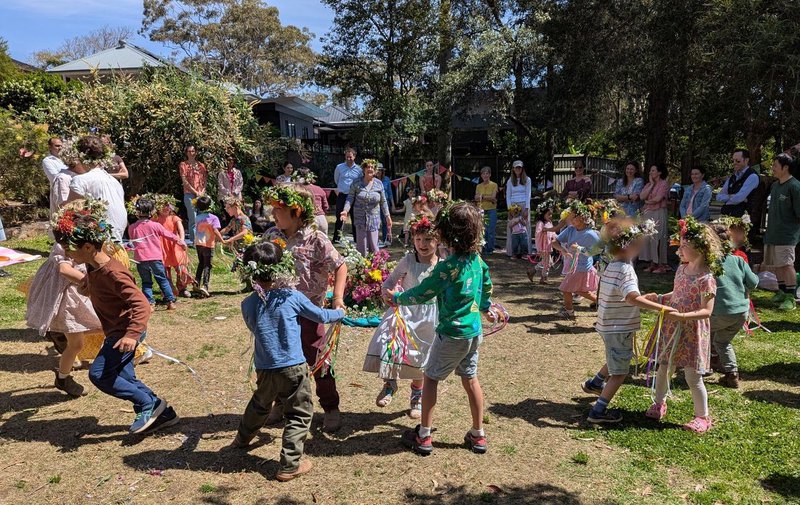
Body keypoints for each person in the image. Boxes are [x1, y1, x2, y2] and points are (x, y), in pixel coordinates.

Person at [52, 198, 177, 434]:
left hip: (124, 331)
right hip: (117, 329)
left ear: (88, 247)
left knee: (100, 374)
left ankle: (148, 403)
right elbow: (97, 282)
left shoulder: (113, 273)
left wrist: (132, 335)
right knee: (123, 376)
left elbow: (141, 304)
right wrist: (88, 285)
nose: (67, 252)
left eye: (70, 248)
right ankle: (165, 414)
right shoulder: (93, 266)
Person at [230, 241, 345, 482]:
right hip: (293, 367)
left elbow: (254, 327)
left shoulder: (248, 303)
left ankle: (242, 439)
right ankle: (290, 464)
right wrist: (340, 313)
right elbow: (320, 315)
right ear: (281, 267)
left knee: (260, 404)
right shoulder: (291, 296)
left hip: (264, 367)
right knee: (300, 414)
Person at [388, 202, 493, 456]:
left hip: (451, 335)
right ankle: (478, 435)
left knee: (431, 378)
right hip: (473, 333)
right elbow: (487, 285)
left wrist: (398, 298)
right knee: (470, 379)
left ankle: (423, 435)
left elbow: (424, 292)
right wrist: (486, 307)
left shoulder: (446, 267)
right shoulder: (477, 260)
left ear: (445, 234)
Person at [263, 184, 348, 433]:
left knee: (317, 359)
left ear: (296, 212)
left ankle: (331, 407)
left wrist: (338, 298)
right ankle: (280, 403)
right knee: (279, 360)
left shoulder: (316, 238)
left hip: (308, 312)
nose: (273, 214)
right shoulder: (271, 236)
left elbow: (340, 266)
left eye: (279, 210)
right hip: (278, 313)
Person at [581, 217, 674, 423]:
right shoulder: (626, 269)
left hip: (608, 324)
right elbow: (631, 297)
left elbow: (624, 293)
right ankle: (598, 411)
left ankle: (595, 384)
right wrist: (661, 308)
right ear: (629, 245)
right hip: (619, 327)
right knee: (620, 372)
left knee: (616, 357)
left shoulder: (612, 266)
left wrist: (644, 296)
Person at [646, 217, 720, 433]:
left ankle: (702, 417)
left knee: (692, 375)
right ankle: (659, 403)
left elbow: (707, 310)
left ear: (699, 248)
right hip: (673, 326)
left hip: (691, 330)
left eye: (684, 246)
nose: (680, 250)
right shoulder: (681, 269)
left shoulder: (706, 278)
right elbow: (677, 293)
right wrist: (661, 298)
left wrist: (684, 318)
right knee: (664, 367)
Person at [365, 214, 439, 419]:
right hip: (404, 312)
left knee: (421, 357)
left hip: (429, 317)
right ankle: (390, 384)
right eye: (418, 239)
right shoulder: (409, 260)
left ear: (438, 240)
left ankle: (417, 396)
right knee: (391, 345)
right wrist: (389, 296)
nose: (422, 244)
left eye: (427, 240)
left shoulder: (442, 263)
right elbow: (389, 283)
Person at [26, 237, 103, 398]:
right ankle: (63, 378)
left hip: (76, 292)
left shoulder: (78, 238)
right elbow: (65, 270)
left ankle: (62, 375)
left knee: (78, 342)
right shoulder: (65, 242)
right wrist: (95, 284)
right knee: (82, 339)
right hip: (66, 296)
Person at [708, 222, 759, 388]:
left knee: (700, 332)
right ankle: (732, 374)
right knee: (722, 342)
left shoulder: (708, 263)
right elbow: (753, 283)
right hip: (740, 313)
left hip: (719, 312)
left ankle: (703, 366)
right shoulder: (738, 260)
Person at [67, 136, 127, 243]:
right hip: (117, 241)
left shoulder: (80, 180)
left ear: (79, 157)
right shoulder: (115, 182)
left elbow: (70, 211)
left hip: (96, 244)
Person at [128, 197, 185, 310]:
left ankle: (150, 303)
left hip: (140, 259)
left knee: (146, 282)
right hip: (155, 258)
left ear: (137, 212)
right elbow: (168, 235)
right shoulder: (155, 225)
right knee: (162, 279)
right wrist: (180, 241)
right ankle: (170, 301)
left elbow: (132, 243)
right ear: (152, 211)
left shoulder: (132, 227)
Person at [762, 153, 800, 310]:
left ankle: (791, 297)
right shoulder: (775, 185)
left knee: (786, 264)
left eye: (775, 166)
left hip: (787, 235)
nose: (772, 168)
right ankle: (782, 291)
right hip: (772, 233)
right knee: (776, 264)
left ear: (785, 167)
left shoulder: (795, 186)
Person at [551, 202, 600, 319]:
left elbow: (597, 251)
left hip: (581, 267)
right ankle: (603, 304)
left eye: (573, 217)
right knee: (582, 291)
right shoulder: (571, 230)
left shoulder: (590, 234)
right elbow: (554, 241)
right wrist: (563, 250)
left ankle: (569, 311)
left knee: (565, 289)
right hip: (573, 267)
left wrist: (579, 249)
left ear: (582, 218)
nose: (570, 219)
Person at [340, 159, 393, 255]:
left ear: (375, 170)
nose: (370, 169)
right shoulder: (356, 183)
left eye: (372, 167)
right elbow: (350, 198)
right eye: (368, 167)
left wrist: (387, 216)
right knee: (362, 246)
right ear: (364, 169)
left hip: (374, 219)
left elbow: (383, 201)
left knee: (374, 245)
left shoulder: (379, 183)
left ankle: (375, 267)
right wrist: (345, 211)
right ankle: (362, 268)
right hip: (360, 219)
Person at [155, 196, 194, 298]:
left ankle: (182, 287)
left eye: (168, 206)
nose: (166, 208)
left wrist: (181, 239)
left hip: (175, 245)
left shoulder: (174, 218)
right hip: (161, 246)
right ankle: (169, 290)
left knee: (181, 267)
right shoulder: (155, 219)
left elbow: (181, 229)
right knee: (164, 269)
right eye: (163, 206)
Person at [639, 163, 671, 274]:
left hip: (658, 212)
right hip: (648, 213)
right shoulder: (649, 184)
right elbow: (642, 196)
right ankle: (652, 263)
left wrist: (648, 201)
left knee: (658, 236)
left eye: (653, 170)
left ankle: (661, 264)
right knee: (649, 237)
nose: (650, 172)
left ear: (659, 172)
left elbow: (657, 199)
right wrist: (652, 184)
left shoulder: (664, 184)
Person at [193, 196, 225, 298]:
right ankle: (205, 286)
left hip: (199, 244)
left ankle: (196, 281)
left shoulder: (197, 217)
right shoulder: (213, 218)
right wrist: (222, 240)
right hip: (208, 245)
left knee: (201, 263)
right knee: (207, 265)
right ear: (210, 205)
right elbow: (215, 230)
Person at [717, 149, 760, 217]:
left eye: (738, 161)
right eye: (733, 160)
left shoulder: (752, 176)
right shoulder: (732, 177)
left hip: (743, 218)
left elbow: (739, 198)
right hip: (726, 215)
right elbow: (718, 197)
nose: (734, 163)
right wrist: (731, 196)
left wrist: (727, 198)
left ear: (746, 160)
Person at [179, 145, 207, 244]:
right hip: (189, 194)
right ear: (186, 153)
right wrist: (196, 192)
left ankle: (202, 240)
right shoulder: (184, 165)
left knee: (202, 217)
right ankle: (194, 241)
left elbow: (204, 180)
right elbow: (185, 181)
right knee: (193, 218)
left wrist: (202, 191)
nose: (192, 153)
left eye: (193, 151)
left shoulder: (201, 165)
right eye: (190, 151)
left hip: (201, 194)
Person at [333, 148, 362, 243]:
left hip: (354, 196)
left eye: (350, 157)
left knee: (355, 218)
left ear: (354, 156)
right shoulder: (339, 167)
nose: (349, 159)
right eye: (347, 157)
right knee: (339, 217)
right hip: (342, 195)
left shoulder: (359, 169)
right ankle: (336, 239)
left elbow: (361, 182)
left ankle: (357, 239)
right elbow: (336, 180)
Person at [505, 160, 532, 256]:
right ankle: (512, 251)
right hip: (513, 205)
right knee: (512, 227)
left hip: (524, 204)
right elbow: (508, 195)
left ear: (522, 168)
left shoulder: (527, 180)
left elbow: (528, 194)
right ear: (513, 169)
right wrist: (509, 209)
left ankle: (526, 251)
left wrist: (527, 208)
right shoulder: (509, 181)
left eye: (519, 167)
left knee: (525, 226)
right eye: (516, 167)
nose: (518, 169)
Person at [296, 167, 330, 236]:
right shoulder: (319, 189)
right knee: (323, 244)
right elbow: (326, 207)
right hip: (321, 220)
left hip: (308, 220)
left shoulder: (298, 190)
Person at [531, 202, 557, 284]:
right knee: (547, 262)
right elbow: (538, 235)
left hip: (549, 246)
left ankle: (534, 271)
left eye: (551, 214)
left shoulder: (549, 223)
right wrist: (540, 248)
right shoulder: (540, 223)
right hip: (543, 246)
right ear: (543, 214)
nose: (550, 216)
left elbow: (553, 233)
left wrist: (556, 238)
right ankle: (543, 277)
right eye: (549, 214)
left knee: (547, 262)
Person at [475, 166, 498, 255]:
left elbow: (493, 197)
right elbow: (476, 198)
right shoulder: (478, 186)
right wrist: (487, 197)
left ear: (490, 174)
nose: (485, 175)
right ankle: (483, 248)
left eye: (487, 173)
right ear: (481, 175)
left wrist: (482, 197)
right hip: (481, 210)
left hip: (491, 210)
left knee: (490, 230)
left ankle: (490, 249)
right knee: (482, 230)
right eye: (483, 173)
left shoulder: (494, 185)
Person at [377, 163, 396, 246]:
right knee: (376, 222)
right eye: (377, 170)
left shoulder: (387, 180)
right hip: (375, 203)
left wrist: (393, 205)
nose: (378, 172)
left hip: (385, 202)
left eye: (380, 171)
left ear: (382, 171)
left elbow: (390, 192)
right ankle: (375, 239)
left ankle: (386, 239)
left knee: (385, 221)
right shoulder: (372, 180)